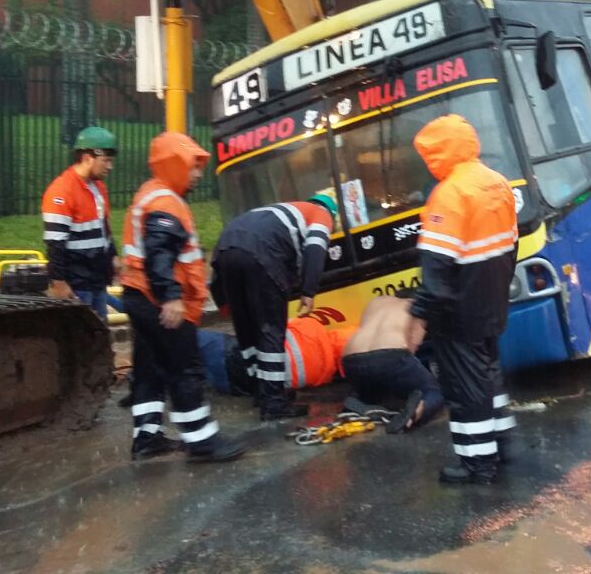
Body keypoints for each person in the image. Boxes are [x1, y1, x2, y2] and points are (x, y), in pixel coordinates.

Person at [407, 114, 519, 484]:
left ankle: (477, 463)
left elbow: (437, 274)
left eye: (429, 154)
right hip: (491, 305)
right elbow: (510, 247)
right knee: (488, 376)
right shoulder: (496, 182)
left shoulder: (449, 193)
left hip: (458, 314)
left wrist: (419, 318)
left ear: (441, 152)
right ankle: (502, 442)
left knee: (464, 389)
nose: (427, 162)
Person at [122, 132, 245, 463]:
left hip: (140, 296)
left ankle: (147, 437)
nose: (197, 174)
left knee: (149, 368)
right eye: (192, 167)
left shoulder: (150, 195)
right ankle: (201, 441)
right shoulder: (166, 202)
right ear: (174, 164)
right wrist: (172, 298)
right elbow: (159, 253)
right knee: (185, 368)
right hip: (158, 300)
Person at [210, 192, 338, 420]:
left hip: (225, 248)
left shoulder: (278, 210)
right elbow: (316, 249)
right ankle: (274, 404)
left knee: (247, 329)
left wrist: (221, 299)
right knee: (271, 329)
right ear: (333, 215)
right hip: (262, 253)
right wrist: (308, 291)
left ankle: (261, 391)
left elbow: (223, 258)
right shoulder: (321, 214)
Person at [340, 290, 445, 434]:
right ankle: (413, 415)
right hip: (390, 357)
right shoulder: (417, 306)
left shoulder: (377, 301)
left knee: (376, 384)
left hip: (351, 361)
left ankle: (362, 399)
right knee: (434, 391)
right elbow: (415, 343)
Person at [41, 126, 119, 320]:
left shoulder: (98, 188)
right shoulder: (61, 191)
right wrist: (59, 282)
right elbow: (55, 244)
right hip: (77, 284)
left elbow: (104, 228)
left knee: (98, 338)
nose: (110, 167)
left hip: (96, 280)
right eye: (106, 161)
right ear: (87, 158)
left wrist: (113, 257)